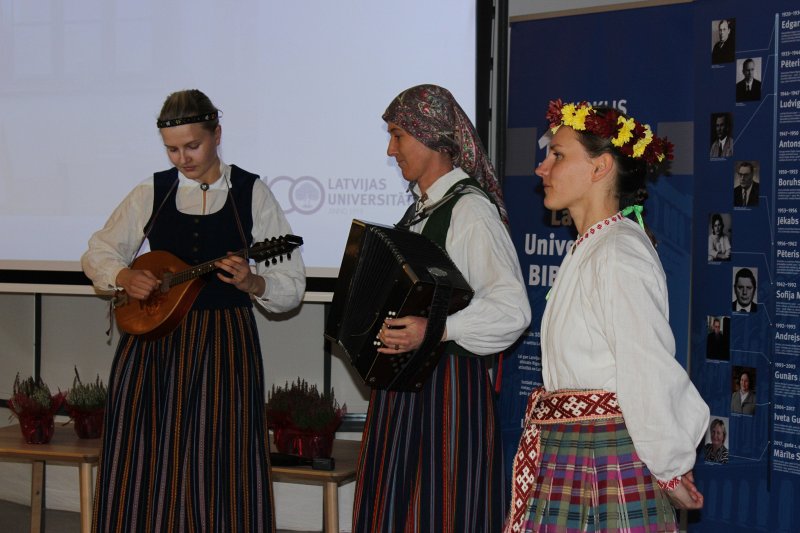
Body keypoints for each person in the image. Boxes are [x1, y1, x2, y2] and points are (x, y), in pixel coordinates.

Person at [81, 89, 306, 532]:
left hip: (224, 342)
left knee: (220, 457)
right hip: (153, 345)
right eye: (172, 149)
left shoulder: (251, 192)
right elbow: (98, 252)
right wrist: (125, 277)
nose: (182, 157)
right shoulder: (153, 191)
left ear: (217, 134)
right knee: (141, 456)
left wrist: (252, 281)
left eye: (192, 146)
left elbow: (291, 285)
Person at [506, 100, 709, 532]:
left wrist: (669, 467)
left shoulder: (618, 252)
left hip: (605, 461)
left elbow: (646, 366)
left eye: (558, 155)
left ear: (600, 169)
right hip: (574, 454)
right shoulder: (593, 246)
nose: (542, 169)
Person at [352, 84, 531, 532]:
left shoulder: (470, 211)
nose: (391, 149)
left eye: (398, 136)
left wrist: (435, 329)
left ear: (431, 137)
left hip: (446, 392)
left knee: (439, 512)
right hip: (406, 392)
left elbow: (512, 309)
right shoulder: (421, 211)